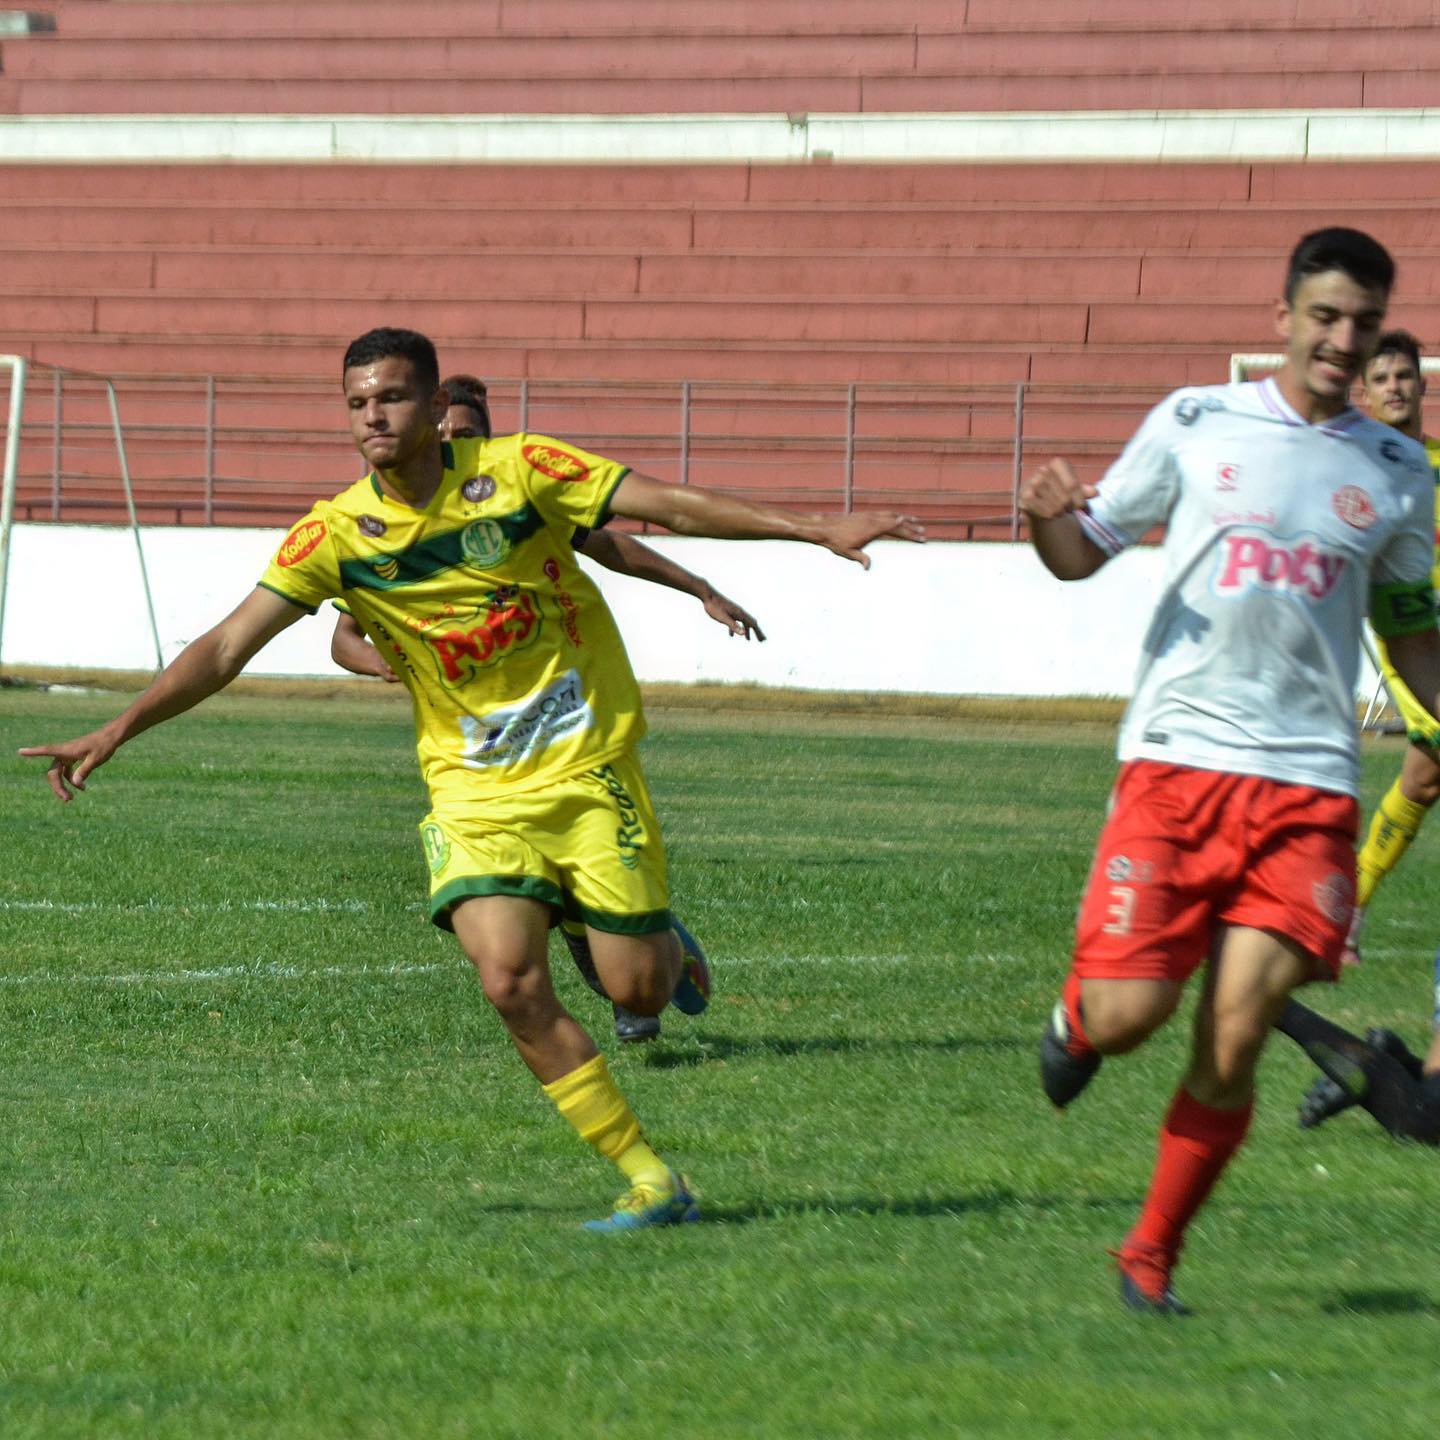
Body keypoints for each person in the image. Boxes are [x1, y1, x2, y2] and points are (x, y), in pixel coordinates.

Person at [21, 326, 922, 1232]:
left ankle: (662, 949)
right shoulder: (334, 534)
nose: (374, 416)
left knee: (637, 992)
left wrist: (816, 529)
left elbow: (666, 507)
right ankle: (650, 1178)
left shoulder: (523, 469)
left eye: (393, 397)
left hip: (583, 763)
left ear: (431, 404)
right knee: (508, 982)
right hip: (472, 790)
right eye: (358, 403)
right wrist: (120, 726)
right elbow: (224, 645)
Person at [1022, 228, 1440, 1313]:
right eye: (1326, 317)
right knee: (1129, 1019)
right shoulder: (1195, 422)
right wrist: (1045, 523)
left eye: (1365, 321)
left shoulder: (1397, 473)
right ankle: (1079, 1018)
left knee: (1240, 1027)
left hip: (1307, 785)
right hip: (1176, 765)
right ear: (1284, 317)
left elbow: (1410, 633)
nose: (1344, 341)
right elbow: (1085, 552)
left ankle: (1149, 1257)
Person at [331, 372, 767, 1046]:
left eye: (468, 435)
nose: (454, 445)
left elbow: (613, 545)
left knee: (617, 949)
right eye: (446, 434)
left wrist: (699, 587)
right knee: (537, 905)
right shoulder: (382, 536)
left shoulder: (519, 502)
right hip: (479, 750)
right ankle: (623, 963)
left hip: (569, 733)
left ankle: (650, 957)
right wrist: (383, 660)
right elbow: (343, 636)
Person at [1284, 330, 1440, 1139]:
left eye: (1407, 375)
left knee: (1420, 780)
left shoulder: (1434, 469)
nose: (1398, 387)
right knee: (1428, 767)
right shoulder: (1361, 475)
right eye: (1381, 378)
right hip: (1418, 659)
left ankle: (1378, 1055)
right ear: (1367, 396)